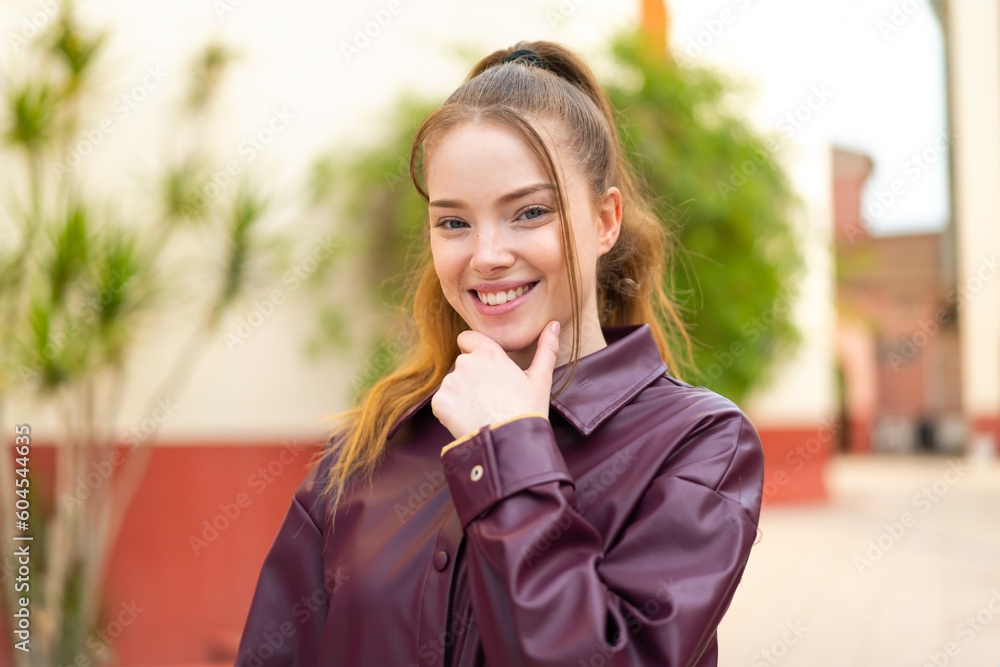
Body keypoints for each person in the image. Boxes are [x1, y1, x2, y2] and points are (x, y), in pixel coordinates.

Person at [236, 40, 764, 667]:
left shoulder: (698, 446)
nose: (486, 254)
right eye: (453, 222)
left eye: (529, 212)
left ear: (605, 220)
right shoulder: (366, 454)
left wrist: (510, 449)